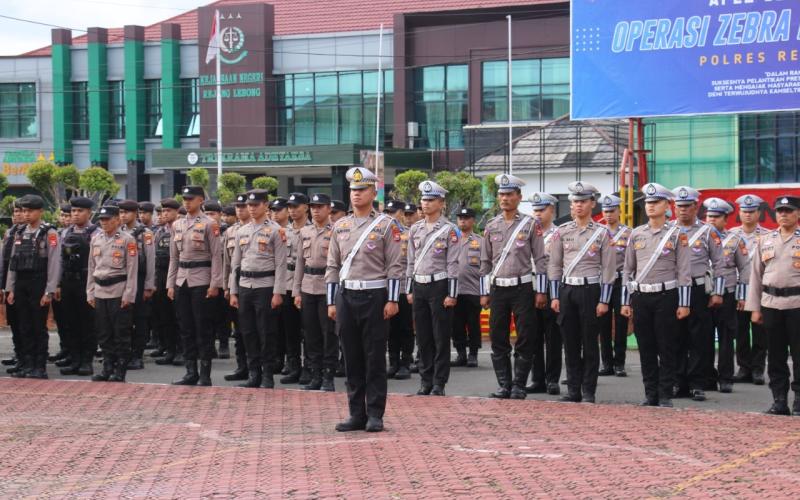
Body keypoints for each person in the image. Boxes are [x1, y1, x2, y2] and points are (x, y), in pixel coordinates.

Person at [326, 167, 403, 433]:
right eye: (353, 190)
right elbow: (332, 266)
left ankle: (375, 413)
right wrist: (331, 301)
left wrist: (392, 300)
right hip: (347, 296)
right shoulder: (340, 225)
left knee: (374, 357)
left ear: (373, 192)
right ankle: (355, 413)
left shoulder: (386, 225)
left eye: (361, 190)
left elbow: (395, 266)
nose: (356, 195)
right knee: (351, 357)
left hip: (375, 295)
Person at [621, 183, 692, 407]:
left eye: (655, 202)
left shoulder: (677, 234)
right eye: (648, 203)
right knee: (646, 347)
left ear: (666, 205)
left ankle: (665, 394)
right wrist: (625, 301)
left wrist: (685, 303)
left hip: (666, 295)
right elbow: (627, 269)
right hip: (641, 297)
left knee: (666, 346)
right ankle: (650, 393)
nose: (650, 207)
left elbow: (684, 271)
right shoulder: (636, 233)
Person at [480, 174, 548, 400]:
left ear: (519, 197)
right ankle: (504, 385)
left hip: (523, 288)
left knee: (525, 336)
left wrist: (541, 291)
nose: (504, 198)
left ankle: (519, 384)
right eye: (501, 194)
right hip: (498, 288)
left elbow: (540, 260)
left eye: (509, 194)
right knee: (497, 336)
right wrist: (484, 292)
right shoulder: (491, 225)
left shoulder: (530, 224)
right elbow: (485, 262)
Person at [548, 182, 615, 403]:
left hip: (591, 289)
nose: (578, 205)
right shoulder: (561, 231)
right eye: (575, 201)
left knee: (589, 342)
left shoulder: (602, 233)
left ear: (592, 203)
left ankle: (589, 391)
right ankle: (573, 390)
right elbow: (555, 265)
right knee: (570, 342)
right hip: (567, 290)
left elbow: (608, 269)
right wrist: (555, 295)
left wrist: (604, 300)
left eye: (583, 201)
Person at [746, 195, 800, 415]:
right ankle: (779, 400)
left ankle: (798, 401)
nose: (783, 214)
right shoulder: (765, 240)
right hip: (770, 304)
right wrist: (755, 308)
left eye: (788, 210)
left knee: (799, 355)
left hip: (797, 304)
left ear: (798, 213)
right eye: (780, 211)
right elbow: (756, 277)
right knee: (775, 356)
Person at [229, 189, 287, 388]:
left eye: (255, 205)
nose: (251, 209)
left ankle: (267, 374)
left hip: (266, 286)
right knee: (248, 332)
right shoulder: (241, 231)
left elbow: (281, 264)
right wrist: (233, 291)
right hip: (245, 286)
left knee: (266, 332)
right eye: (249, 205)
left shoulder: (275, 230)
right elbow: (235, 264)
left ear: (265, 205)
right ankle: (253, 374)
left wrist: (278, 292)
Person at [406, 181, 460, 396]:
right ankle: (425, 379)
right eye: (423, 199)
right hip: (419, 285)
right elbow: (410, 261)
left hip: (440, 286)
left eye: (430, 200)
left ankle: (439, 382)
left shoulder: (449, 230)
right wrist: (408, 289)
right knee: (423, 336)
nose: (425, 204)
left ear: (441, 203)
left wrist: (452, 293)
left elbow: (453, 263)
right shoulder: (415, 229)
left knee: (440, 336)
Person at [671, 186, 724, 401]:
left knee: (699, 338)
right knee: (674, 338)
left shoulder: (708, 231)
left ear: (695, 207)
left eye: (687, 206)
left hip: (698, 289)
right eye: (679, 206)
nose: (683, 210)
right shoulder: (667, 230)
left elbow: (720, 263)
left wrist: (717, 292)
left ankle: (697, 384)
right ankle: (677, 382)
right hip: (673, 290)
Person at [167, 186, 223, 386]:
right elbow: (174, 257)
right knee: (186, 327)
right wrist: (170, 283)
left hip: (202, 279)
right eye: (184, 199)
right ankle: (190, 371)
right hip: (182, 279)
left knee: (203, 327)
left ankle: (205, 373)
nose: (187, 202)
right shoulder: (177, 225)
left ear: (200, 200)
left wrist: (215, 283)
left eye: (191, 199)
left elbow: (217, 256)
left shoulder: (210, 224)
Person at [5, 195, 62, 379]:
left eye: (30, 211)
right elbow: (13, 263)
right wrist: (10, 288)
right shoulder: (20, 232)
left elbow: (54, 264)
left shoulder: (49, 233)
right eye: (24, 211)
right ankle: (27, 363)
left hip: (39, 282)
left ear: (40, 212)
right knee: (24, 325)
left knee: (38, 326)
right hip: (21, 283)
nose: (26, 214)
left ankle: (39, 366)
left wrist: (49, 290)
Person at [87, 205, 139, 382]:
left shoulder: (127, 239)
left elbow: (132, 270)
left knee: (120, 333)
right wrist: (90, 291)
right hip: (100, 290)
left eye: (108, 219)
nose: (104, 223)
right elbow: (91, 267)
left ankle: (120, 369)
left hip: (118, 290)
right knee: (103, 332)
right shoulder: (96, 238)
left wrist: (129, 295)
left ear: (117, 220)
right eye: (102, 220)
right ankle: (107, 367)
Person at [704, 197, 749, 394]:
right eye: (709, 216)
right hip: (703, 295)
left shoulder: (735, 240)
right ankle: (706, 377)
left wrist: (741, 296)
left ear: (725, 219)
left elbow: (745, 269)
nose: (711, 220)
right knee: (702, 339)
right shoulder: (699, 237)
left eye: (716, 217)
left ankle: (725, 378)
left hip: (727, 295)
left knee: (725, 338)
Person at [293, 193, 337, 391]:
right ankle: (315, 375)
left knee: (328, 334)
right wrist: (297, 291)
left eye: (320, 206)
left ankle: (328, 376)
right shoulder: (305, 232)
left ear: (329, 208)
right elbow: (300, 263)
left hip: (328, 286)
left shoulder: (336, 230)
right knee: (310, 334)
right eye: (313, 207)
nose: (316, 210)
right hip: (308, 286)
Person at [57, 196, 98, 377]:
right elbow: (59, 260)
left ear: (89, 213)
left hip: (86, 281)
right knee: (70, 322)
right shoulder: (66, 233)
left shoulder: (96, 233)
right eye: (73, 211)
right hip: (68, 282)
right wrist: (57, 284)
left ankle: (86, 361)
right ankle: (74, 360)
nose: (75, 214)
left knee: (87, 323)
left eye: (79, 211)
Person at [525, 192, 561, 395]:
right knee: (533, 336)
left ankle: (552, 379)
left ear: (552, 210)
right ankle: (537, 378)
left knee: (553, 337)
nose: (537, 214)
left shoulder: (559, 234)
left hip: (551, 287)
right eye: (535, 210)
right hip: (529, 288)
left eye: (542, 210)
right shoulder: (529, 232)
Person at [731, 194, 768, 385]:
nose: (747, 215)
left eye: (751, 212)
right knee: (741, 332)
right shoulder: (732, 235)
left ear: (758, 213)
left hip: (760, 291)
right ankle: (744, 368)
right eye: (744, 211)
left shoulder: (768, 236)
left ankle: (758, 369)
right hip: (738, 291)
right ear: (739, 212)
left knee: (760, 332)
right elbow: (728, 266)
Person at [119, 200, 155, 370]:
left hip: (140, 279)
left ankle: (137, 355)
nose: (123, 215)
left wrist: (149, 285)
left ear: (135, 213)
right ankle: (124, 354)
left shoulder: (144, 233)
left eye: (126, 212)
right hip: (122, 279)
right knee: (123, 318)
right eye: (120, 212)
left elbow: (150, 261)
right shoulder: (117, 232)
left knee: (139, 318)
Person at [598, 194, 632, 377]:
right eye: (605, 211)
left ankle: (619, 363)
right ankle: (606, 363)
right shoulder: (598, 232)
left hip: (621, 281)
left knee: (621, 322)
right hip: (603, 282)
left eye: (612, 211)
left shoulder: (628, 233)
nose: (608, 214)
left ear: (619, 211)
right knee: (602, 323)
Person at [284, 192, 313, 385]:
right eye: (290, 207)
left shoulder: (313, 229)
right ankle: (294, 366)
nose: (293, 210)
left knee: (309, 330)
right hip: (287, 281)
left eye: (296, 207)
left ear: (306, 207)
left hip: (308, 282)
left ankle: (309, 368)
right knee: (290, 329)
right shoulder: (283, 231)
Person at [222, 194, 251, 382]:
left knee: (253, 329)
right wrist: (226, 286)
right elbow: (227, 262)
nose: (240, 210)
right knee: (239, 330)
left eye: (243, 206)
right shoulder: (230, 232)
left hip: (254, 281)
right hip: (236, 282)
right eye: (237, 207)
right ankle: (242, 366)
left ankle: (257, 366)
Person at [384, 199, 413, 380]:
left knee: (405, 327)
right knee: (389, 328)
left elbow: (413, 263)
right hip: (386, 288)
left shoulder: (409, 235)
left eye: (392, 212)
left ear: (401, 213)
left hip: (403, 287)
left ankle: (405, 363)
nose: (389, 215)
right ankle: (393, 362)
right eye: (387, 211)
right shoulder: (381, 234)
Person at [451, 207, 483, 369]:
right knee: (456, 324)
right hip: (454, 291)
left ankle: (473, 354)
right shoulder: (451, 240)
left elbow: (485, 268)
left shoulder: (480, 241)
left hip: (473, 290)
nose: (462, 220)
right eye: (460, 218)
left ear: (473, 220)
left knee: (473, 324)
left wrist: (485, 292)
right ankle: (461, 353)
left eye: (466, 217)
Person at [152, 199, 181, 366]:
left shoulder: (180, 229)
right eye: (163, 211)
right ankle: (170, 349)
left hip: (177, 275)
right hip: (161, 275)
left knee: (178, 316)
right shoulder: (159, 232)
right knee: (165, 316)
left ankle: (181, 351)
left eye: (169, 211)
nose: (165, 214)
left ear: (177, 212)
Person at [204, 200, 230, 360]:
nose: (209, 217)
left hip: (224, 278)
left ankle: (224, 343)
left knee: (223, 313)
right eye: (206, 214)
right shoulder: (202, 230)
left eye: (212, 214)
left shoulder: (227, 231)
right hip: (207, 277)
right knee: (208, 314)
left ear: (220, 215)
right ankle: (210, 344)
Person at [1, 201, 25, 373]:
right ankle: (19, 354)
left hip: (23, 281)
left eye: (20, 211)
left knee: (25, 323)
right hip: (8, 281)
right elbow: (4, 261)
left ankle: (27, 358)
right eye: (15, 211)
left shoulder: (30, 234)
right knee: (14, 322)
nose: (16, 215)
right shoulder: (10, 233)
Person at [52, 202, 73, 365]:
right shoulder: (58, 233)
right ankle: (65, 348)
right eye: (63, 215)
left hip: (74, 280)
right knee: (61, 317)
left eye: (67, 215)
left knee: (73, 318)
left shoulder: (84, 233)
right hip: (60, 280)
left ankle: (75, 352)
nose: (64, 218)